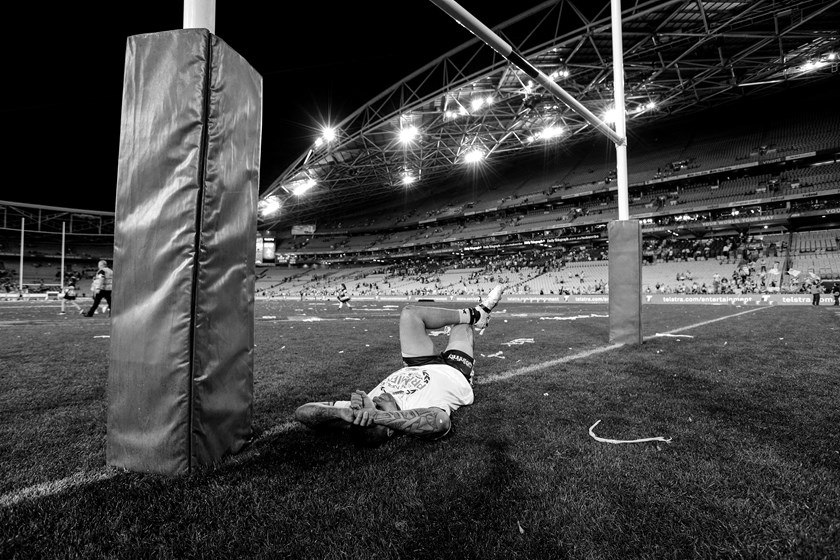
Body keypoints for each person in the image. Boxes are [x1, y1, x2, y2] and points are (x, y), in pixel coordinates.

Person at [295, 284, 506, 446]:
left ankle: (478, 314)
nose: (374, 400)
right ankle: (481, 312)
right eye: (377, 407)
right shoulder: (413, 411)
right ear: (388, 427)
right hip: (453, 370)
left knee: (410, 314)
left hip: (416, 364)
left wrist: (340, 413)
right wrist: (379, 416)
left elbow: (302, 412)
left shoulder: (360, 412)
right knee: (462, 326)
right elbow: (440, 423)